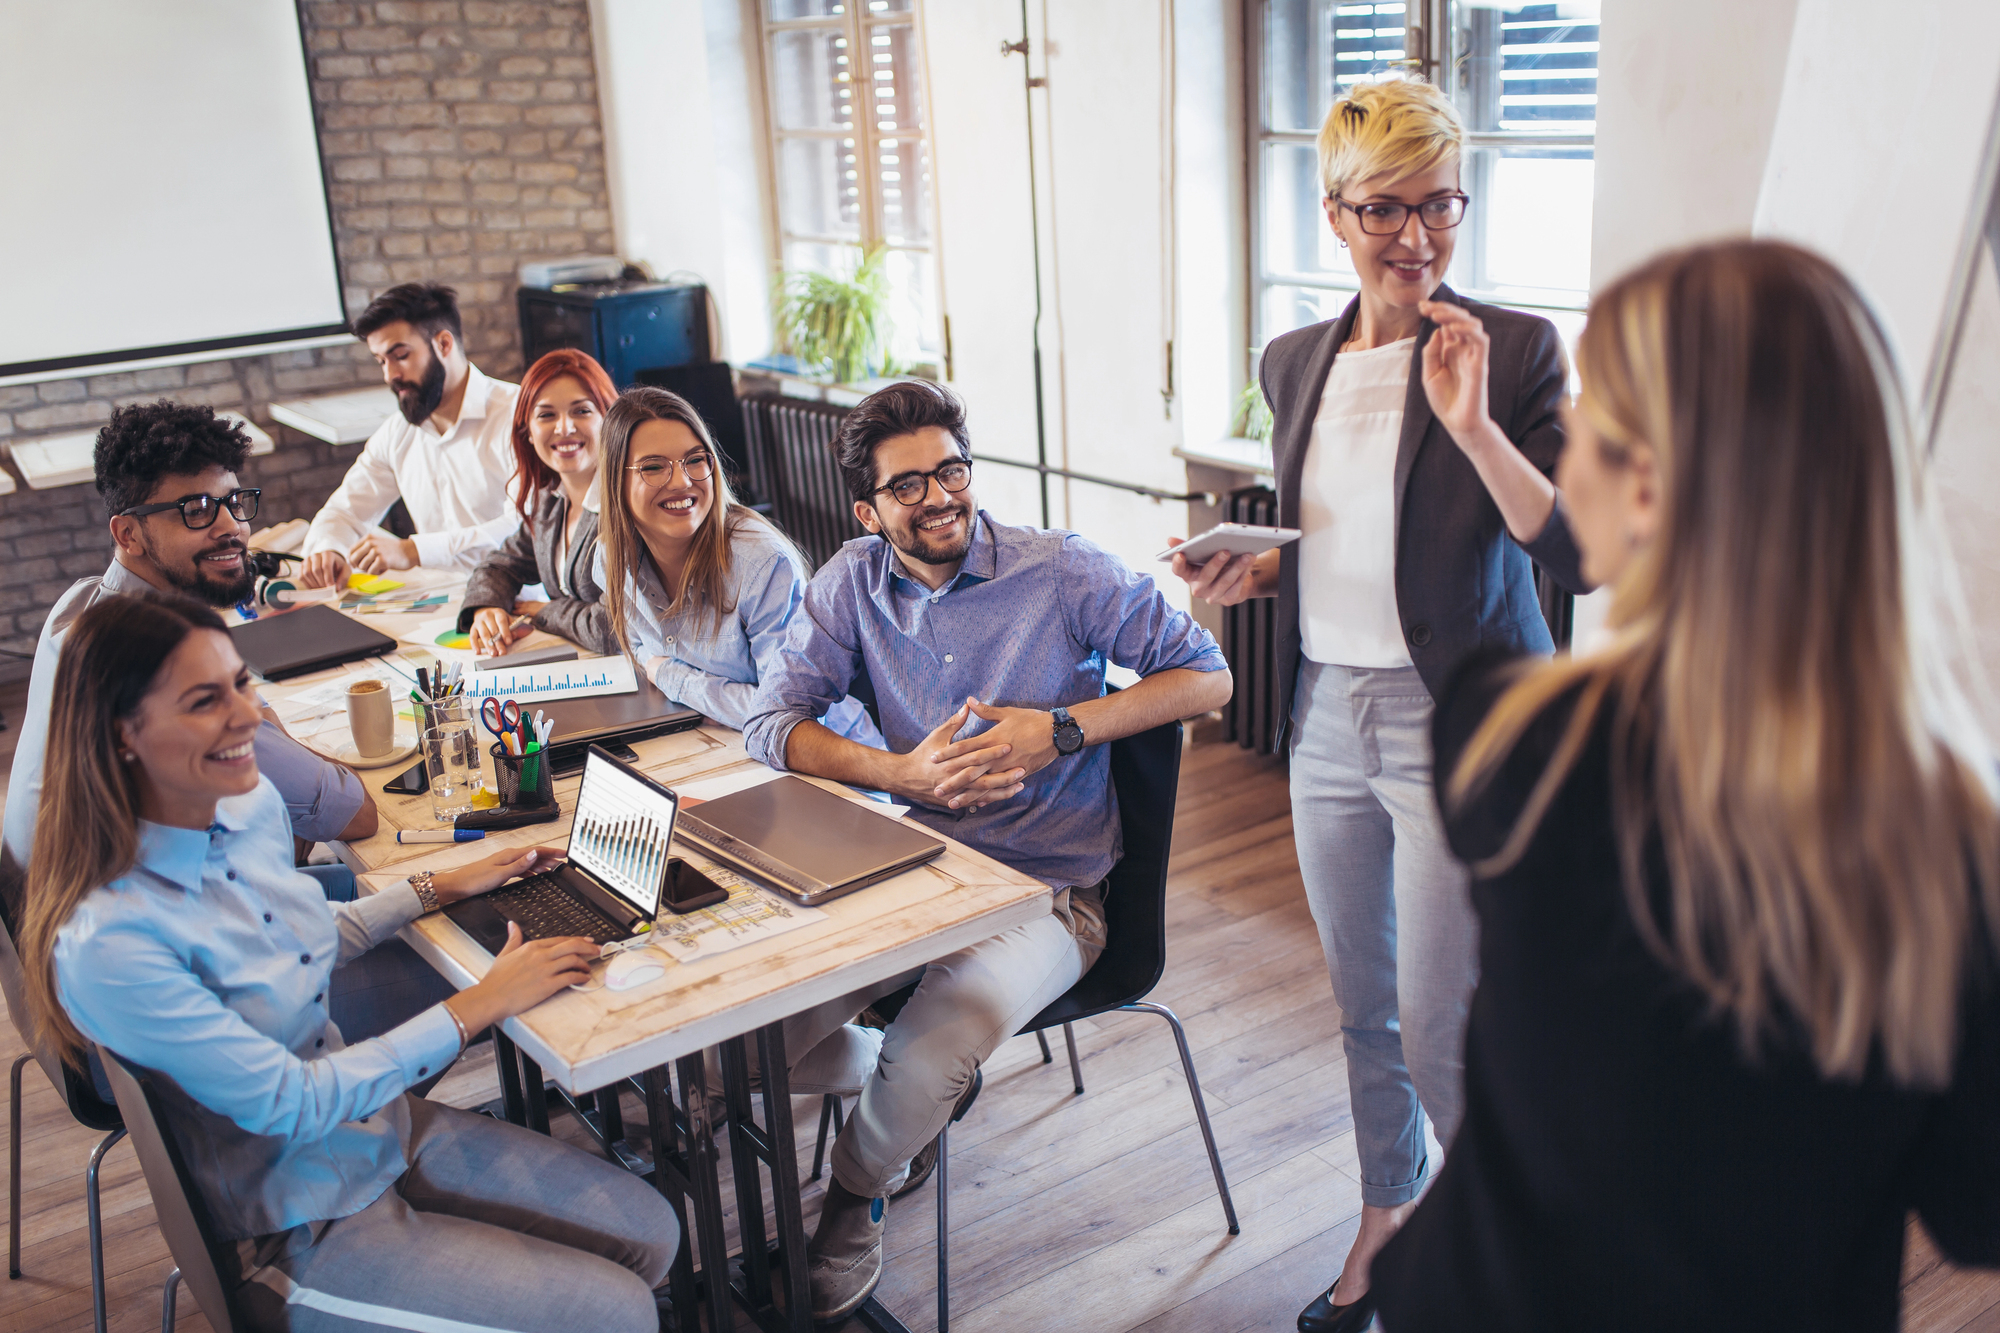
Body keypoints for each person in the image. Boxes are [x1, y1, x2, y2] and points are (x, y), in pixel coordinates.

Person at [1373, 240, 2000, 1330]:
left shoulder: (1508, 742)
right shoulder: (1951, 838)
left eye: (1579, 426)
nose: (1562, 459)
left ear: (1649, 485)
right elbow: (1977, 1210)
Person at [1166, 77, 1591, 1333]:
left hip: (1455, 727)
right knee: (1364, 1008)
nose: (1414, 235)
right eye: (1383, 209)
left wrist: (1467, 424)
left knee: (1450, 1030)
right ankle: (1382, 1221)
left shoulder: (1508, 349)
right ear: (1332, 212)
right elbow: (1345, 532)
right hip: (1324, 724)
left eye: (1438, 203)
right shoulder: (1292, 358)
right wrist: (1256, 565)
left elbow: (1572, 550)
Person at [16, 593, 680, 1333]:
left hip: (373, 1129)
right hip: (293, 1225)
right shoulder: (110, 940)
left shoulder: (241, 811)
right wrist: (476, 1006)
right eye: (206, 700)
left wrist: (435, 885)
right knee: (619, 1312)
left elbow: (299, 940)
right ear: (123, 733)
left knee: (653, 1236)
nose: (249, 717)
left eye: (241, 682)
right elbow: (291, 1102)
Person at [741, 380, 1234, 1321]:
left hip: (1050, 893)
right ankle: (900, 1095)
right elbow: (771, 722)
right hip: (907, 868)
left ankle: (855, 1194)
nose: (939, 497)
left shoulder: (1061, 570)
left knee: (937, 1047)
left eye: (952, 469)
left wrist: (1064, 729)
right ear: (868, 508)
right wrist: (902, 773)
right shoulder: (851, 580)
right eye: (908, 484)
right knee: (750, 1035)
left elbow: (1209, 675)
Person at [4, 401, 376, 868]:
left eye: (234, 502)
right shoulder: (152, 658)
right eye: (195, 510)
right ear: (128, 534)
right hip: (128, 925)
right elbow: (355, 814)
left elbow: (263, 732)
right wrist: (286, 805)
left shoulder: (85, 602)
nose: (234, 528)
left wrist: (282, 792)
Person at [596, 385, 877, 740]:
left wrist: (673, 678)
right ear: (615, 480)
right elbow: (639, 649)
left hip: (827, 759)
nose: (682, 482)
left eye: (695, 460)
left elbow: (783, 712)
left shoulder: (760, 563)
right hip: (714, 743)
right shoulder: (610, 557)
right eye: (653, 467)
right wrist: (712, 700)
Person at [298, 282, 520, 588]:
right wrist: (328, 550)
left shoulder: (520, 416)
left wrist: (414, 550)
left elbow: (526, 530)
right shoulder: (397, 432)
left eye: (400, 355)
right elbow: (344, 512)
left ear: (444, 344)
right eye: (381, 361)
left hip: (521, 604)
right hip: (440, 606)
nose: (390, 376)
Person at [459, 348, 618, 657]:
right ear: (528, 432)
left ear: (609, 419)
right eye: (547, 415)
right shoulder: (551, 500)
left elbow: (613, 628)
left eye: (581, 411)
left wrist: (545, 611)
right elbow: (501, 565)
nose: (564, 428)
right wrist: (486, 607)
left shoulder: (630, 503)